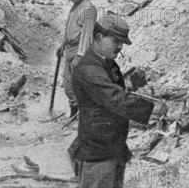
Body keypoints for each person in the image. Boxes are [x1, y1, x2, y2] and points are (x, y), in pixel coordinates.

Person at [68, 12, 168, 188]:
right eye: (116, 41)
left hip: (112, 147)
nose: (121, 47)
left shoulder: (105, 63)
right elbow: (115, 99)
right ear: (99, 37)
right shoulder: (89, 69)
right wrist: (151, 108)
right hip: (99, 153)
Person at [57, 0, 97, 118]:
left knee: (79, 86)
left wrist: (80, 56)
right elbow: (68, 27)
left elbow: (87, 35)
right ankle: (75, 110)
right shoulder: (75, 7)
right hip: (69, 49)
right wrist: (62, 45)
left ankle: (83, 115)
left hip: (80, 51)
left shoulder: (88, 9)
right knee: (68, 86)